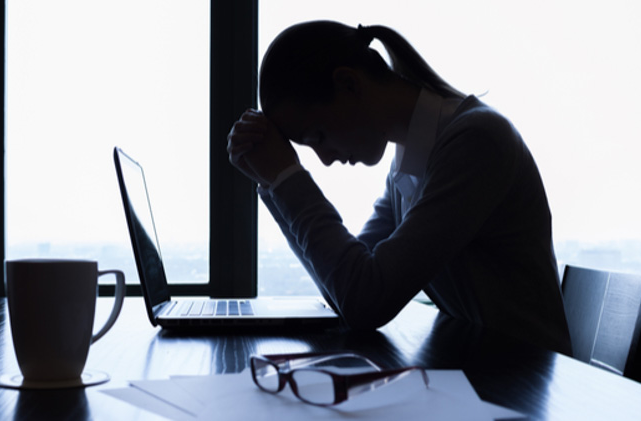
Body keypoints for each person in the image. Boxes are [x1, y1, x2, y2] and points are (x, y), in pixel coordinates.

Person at [227, 20, 572, 355]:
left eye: (317, 136)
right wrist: (273, 183)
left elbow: (365, 302)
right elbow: (345, 291)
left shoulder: (476, 142)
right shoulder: (409, 163)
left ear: (348, 84)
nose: (326, 159)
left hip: (526, 386)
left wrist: (288, 180)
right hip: (484, 372)